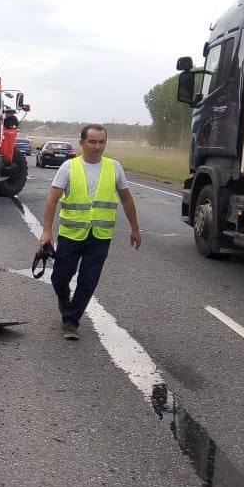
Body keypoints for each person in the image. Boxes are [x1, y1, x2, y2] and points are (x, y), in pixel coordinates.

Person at [38, 124, 141, 340]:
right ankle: (64, 299)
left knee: (88, 280)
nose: (97, 146)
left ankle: (71, 321)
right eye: (93, 142)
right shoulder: (68, 167)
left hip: (100, 236)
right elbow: (52, 199)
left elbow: (126, 199)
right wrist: (46, 231)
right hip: (71, 234)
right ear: (82, 143)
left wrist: (135, 229)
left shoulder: (114, 167)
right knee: (59, 278)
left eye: (102, 142)